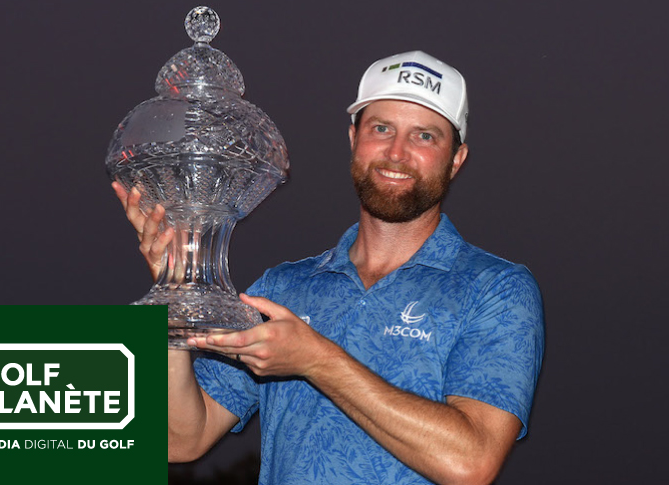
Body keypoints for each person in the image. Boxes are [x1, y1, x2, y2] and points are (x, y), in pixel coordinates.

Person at [114, 51, 544, 485]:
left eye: (425, 136)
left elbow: (471, 463)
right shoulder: (283, 288)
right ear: (354, 138)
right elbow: (179, 440)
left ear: (456, 159)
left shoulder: (496, 289)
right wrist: (178, 289)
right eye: (381, 129)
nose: (397, 152)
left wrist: (316, 360)